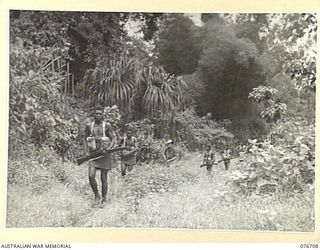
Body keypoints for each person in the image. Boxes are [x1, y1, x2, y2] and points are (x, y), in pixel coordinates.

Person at [84, 105, 116, 205]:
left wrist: (109, 149)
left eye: (100, 114)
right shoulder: (89, 126)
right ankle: (96, 195)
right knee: (91, 175)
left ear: (103, 115)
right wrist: (86, 152)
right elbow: (84, 139)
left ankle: (104, 197)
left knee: (103, 178)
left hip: (104, 155)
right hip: (93, 154)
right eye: (96, 114)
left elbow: (114, 139)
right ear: (94, 115)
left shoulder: (107, 126)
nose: (98, 115)